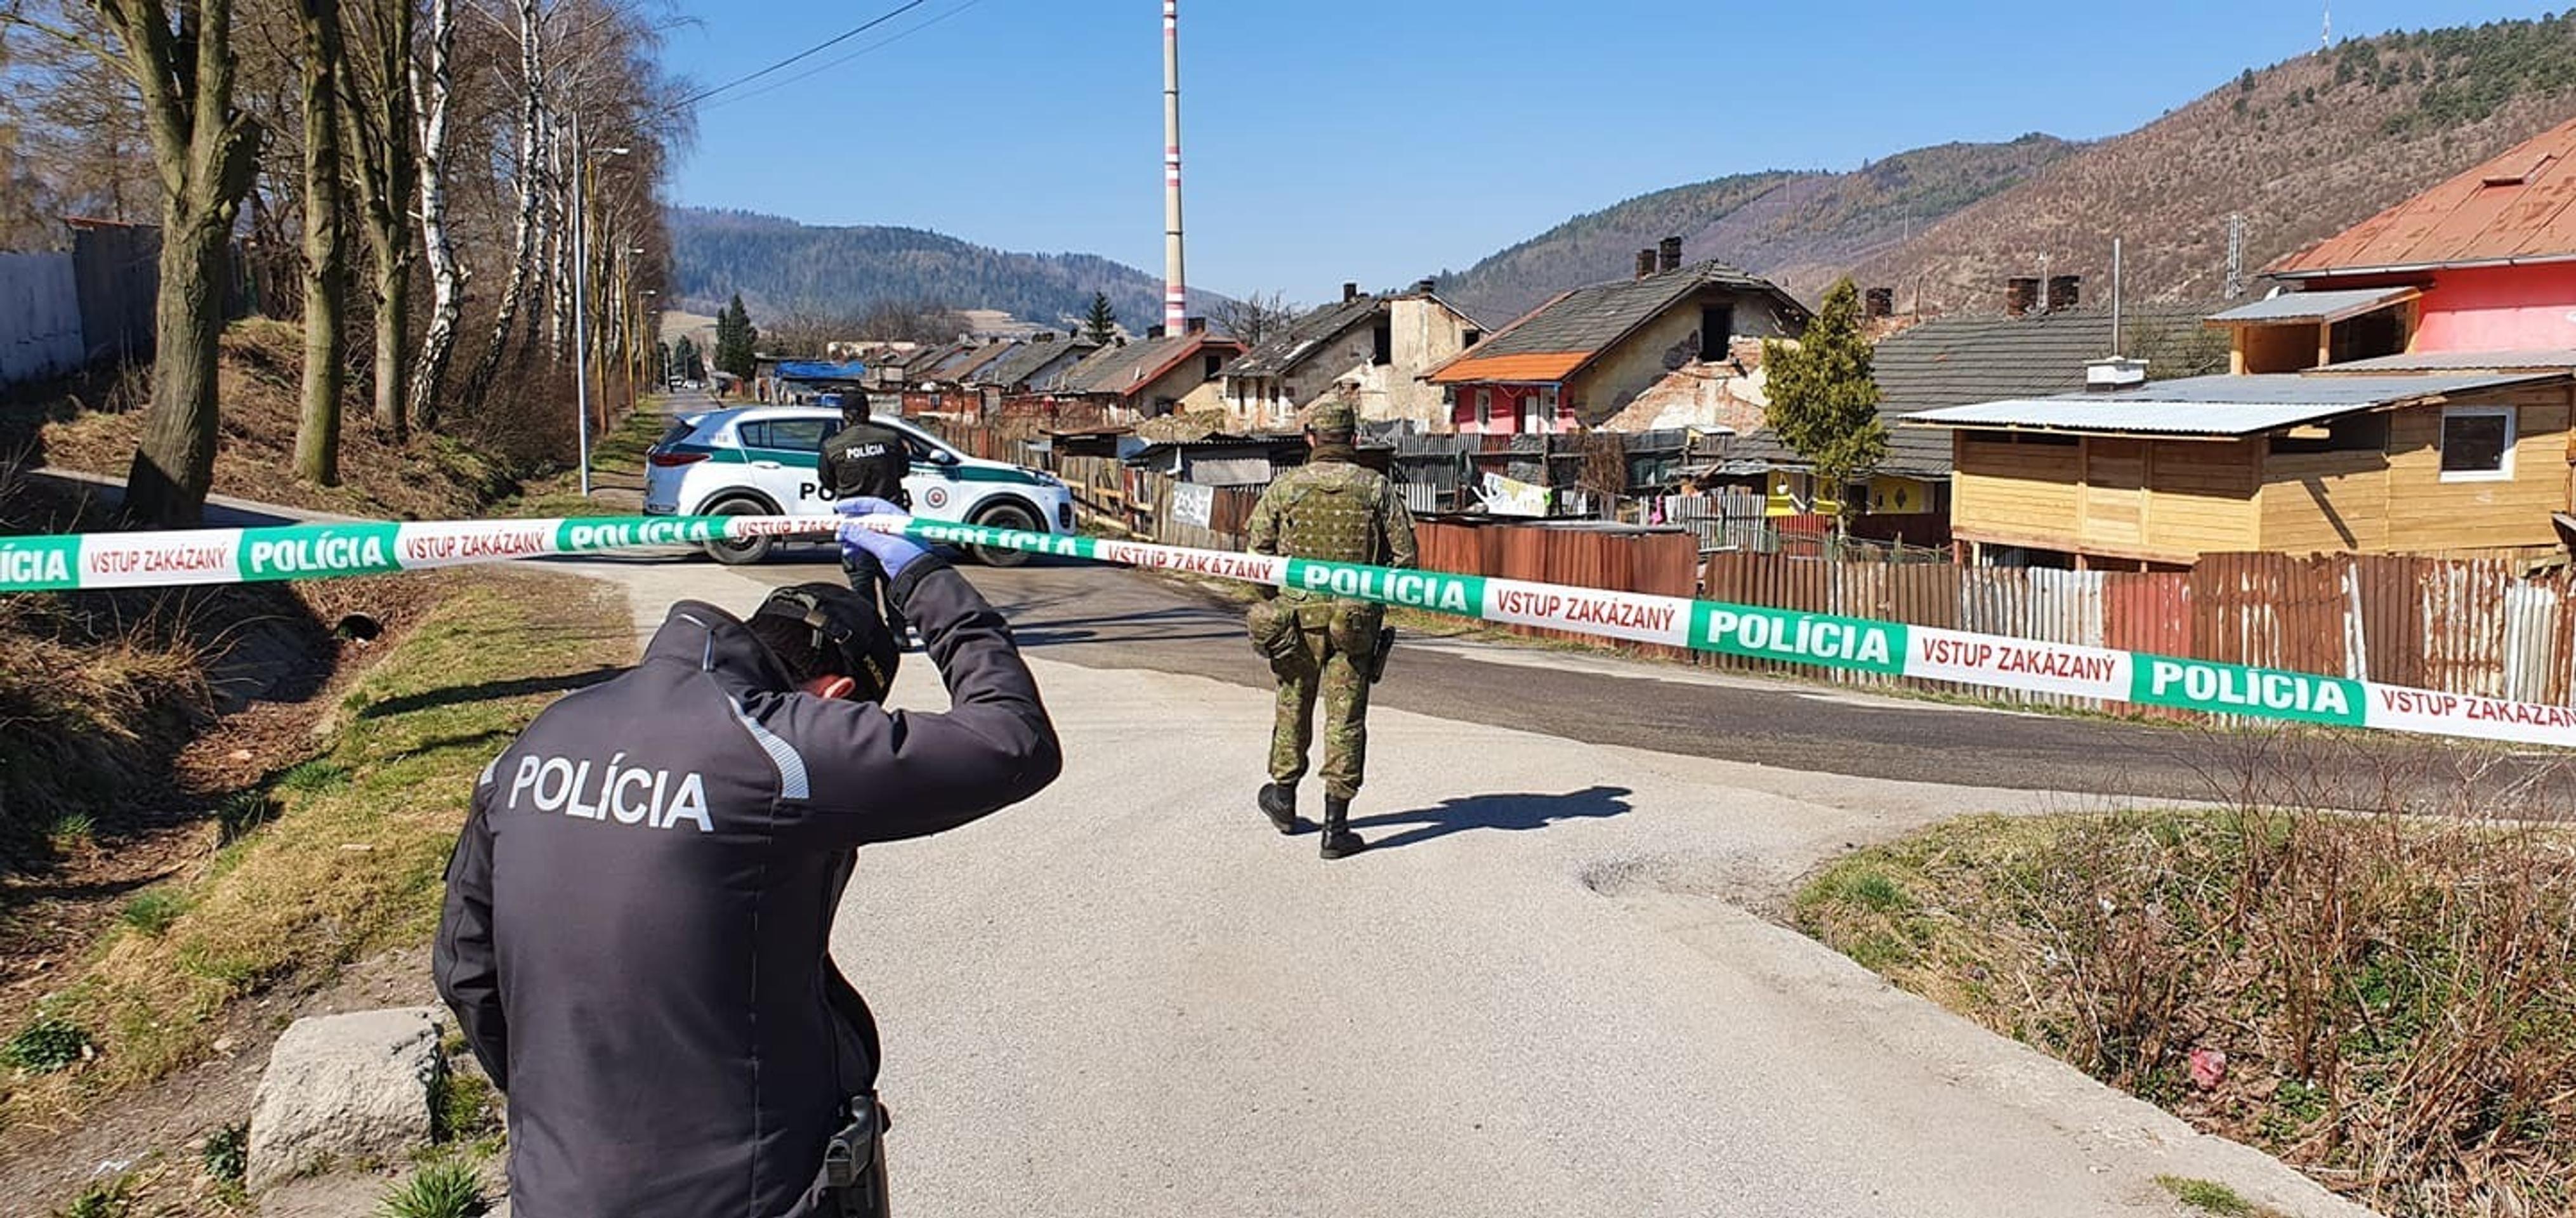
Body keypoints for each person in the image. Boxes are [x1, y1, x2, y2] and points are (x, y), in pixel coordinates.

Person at [433, 499, 1061, 1218]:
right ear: (837, 697)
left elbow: (465, 968)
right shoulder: (779, 749)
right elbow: (1014, 739)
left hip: (558, 1185)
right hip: (748, 1191)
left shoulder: (542, 738)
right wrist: (924, 578)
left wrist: (559, 1110)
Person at [1244, 395, 1418, 860]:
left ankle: (1283, 799)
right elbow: (1406, 561)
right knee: (1345, 719)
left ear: (1311, 439)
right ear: (1354, 439)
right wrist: (1370, 596)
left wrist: (1273, 601)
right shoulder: (1376, 488)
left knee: (1292, 706)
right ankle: (1335, 829)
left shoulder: (1286, 487)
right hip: (1353, 623)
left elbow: (1257, 553)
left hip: (1296, 621)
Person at [817, 391, 916, 645]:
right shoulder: (890, 439)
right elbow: (904, 470)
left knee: (861, 583)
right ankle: (899, 634)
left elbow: (827, 482)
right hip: (889, 522)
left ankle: (873, 638)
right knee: (892, 578)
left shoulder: (832, 446)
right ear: (867, 411)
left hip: (855, 526)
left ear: (845, 415)